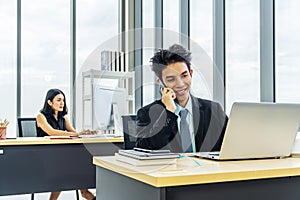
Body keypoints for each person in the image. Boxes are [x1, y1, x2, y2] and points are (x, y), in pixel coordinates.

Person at [135, 44, 228, 153]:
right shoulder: (146, 113)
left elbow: (232, 144)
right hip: (170, 170)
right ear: (160, 82)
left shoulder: (213, 110)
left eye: (184, 76)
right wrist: (168, 112)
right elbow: (143, 150)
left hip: (205, 170)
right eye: (171, 79)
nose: (180, 84)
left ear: (191, 73)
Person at [36, 88, 95, 200]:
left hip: (61, 154)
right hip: (45, 155)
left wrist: (85, 133)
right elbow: (51, 132)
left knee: (77, 166)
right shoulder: (41, 117)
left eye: (63, 100)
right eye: (58, 100)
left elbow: (73, 133)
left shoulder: (64, 117)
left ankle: (85, 192)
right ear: (49, 102)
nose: (62, 103)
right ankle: (86, 193)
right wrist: (76, 133)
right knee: (65, 170)